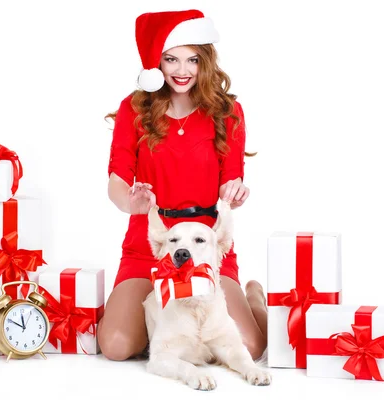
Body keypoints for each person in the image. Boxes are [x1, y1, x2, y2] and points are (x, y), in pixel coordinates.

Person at [97, 9, 267, 362]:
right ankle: (160, 323)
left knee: (250, 348)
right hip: (150, 247)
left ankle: (254, 297)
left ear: (205, 60)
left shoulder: (228, 112)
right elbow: (116, 181)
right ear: (155, 62)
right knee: (115, 345)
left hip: (208, 250)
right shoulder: (133, 109)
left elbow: (230, 183)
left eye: (192, 59)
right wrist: (131, 203)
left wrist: (235, 192)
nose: (182, 70)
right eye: (171, 59)